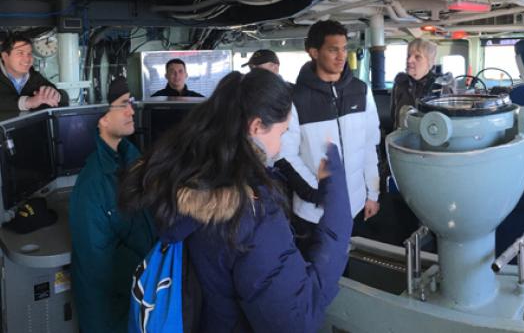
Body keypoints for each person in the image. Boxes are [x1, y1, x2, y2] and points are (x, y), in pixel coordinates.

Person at [119, 69, 352, 332]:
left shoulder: (187, 176)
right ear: (255, 127)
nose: (280, 146)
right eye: (282, 133)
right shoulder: (251, 210)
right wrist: (338, 210)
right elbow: (296, 320)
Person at [279, 20, 381, 254]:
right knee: (316, 278)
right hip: (314, 212)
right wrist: (319, 194)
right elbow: (285, 154)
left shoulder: (361, 90)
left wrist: (372, 194)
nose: (341, 56)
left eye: (344, 48)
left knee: (345, 270)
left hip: (353, 206)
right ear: (314, 52)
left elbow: (369, 145)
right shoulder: (296, 99)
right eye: (333, 49)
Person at [69, 77, 156, 333]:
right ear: (102, 118)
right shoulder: (92, 186)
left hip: (138, 299)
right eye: (122, 104)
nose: (132, 110)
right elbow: (100, 268)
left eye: (131, 102)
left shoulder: (132, 160)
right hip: (111, 314)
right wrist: (154, 272)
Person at [389, 38, 454, 130]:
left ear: (429, 62)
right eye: (409, 55)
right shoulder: (400, 83)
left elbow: (447, 124)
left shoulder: (441, 87)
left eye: (417, 57)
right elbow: (394, 117)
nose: (409, 60)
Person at [0, 33, 67, 120]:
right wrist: (28, 102)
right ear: (5, 56)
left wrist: (56, 95)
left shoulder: (35, 77)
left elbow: (64, 97)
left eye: (29, 53)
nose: (27, 59)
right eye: (20, 53)